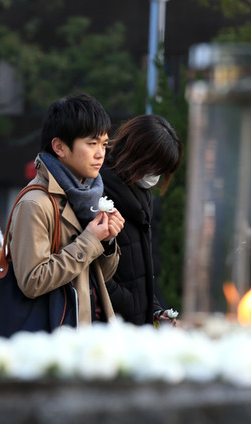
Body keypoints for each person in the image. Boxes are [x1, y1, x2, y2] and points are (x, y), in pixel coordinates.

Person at [8, 93, 124, 325]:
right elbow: (32, 281)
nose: (101, 153)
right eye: (92, 144)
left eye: (104, 144)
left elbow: (99, 277)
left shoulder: (87, 195)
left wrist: (107, 242)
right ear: (59, 147)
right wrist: (90, 240)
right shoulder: (36, 203)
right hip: (53, 339)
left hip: (86, 334)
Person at [99, 115, 183, 326]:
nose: (155, 176)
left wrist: (155, 312)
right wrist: (134, 307)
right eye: (154, 166)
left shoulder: (141, 195)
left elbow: (139, 272)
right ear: (137, 153)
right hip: (110, 326)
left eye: (161, 171)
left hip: (134, 323)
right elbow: (96, 275)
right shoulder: (99, 193)